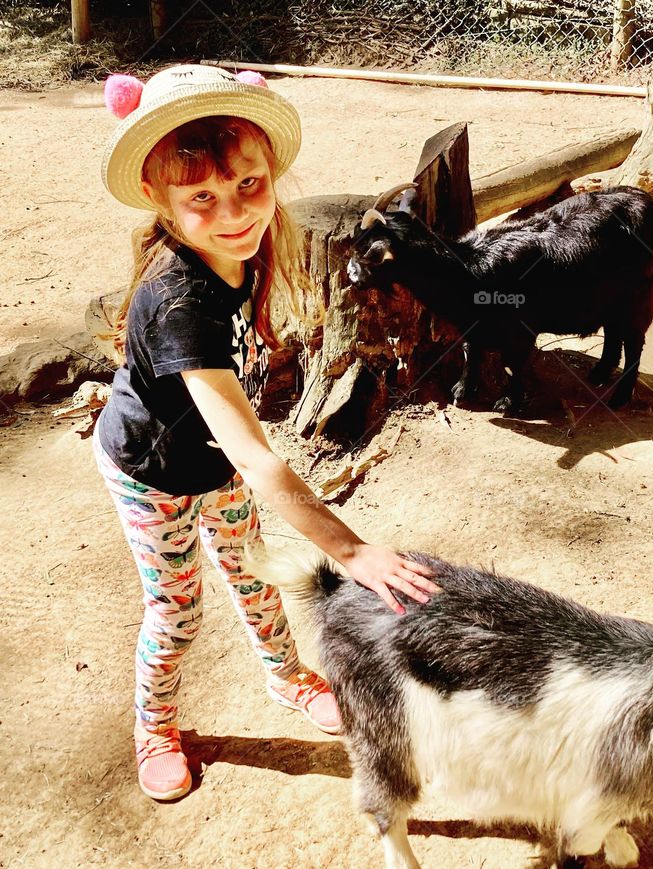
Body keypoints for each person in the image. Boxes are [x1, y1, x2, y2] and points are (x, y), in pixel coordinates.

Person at [94, 64, 438, 802]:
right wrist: (350, 549)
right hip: (152, 475)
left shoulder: (244, 254)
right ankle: (154, 726)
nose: (234, 212)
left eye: (248, 185)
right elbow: (254, 453)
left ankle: (287, 678)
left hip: (214, 465)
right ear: (159, 200)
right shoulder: (178, 297)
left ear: (270, 172)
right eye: (202, 199)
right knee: (177, 612)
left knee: (255, 577)